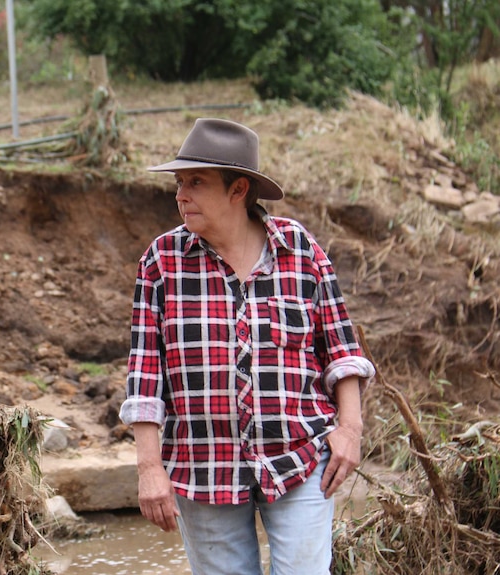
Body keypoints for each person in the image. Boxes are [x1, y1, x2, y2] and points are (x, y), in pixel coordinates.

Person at [119, 118, 375, 575]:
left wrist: (350, 431)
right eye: (179, 182)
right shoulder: (161, 263)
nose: (181, 194)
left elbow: (341, 348)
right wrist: (148, 468)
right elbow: (144, 374)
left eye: (195, 182)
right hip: (203, 467)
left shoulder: (300, 251)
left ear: (238, 190)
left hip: (299, 457)